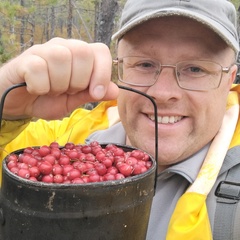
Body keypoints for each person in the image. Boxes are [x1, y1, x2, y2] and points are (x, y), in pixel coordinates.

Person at [0, 0, 240, 239]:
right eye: (145, 64)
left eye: (195, 69)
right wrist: (8, 110)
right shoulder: (64, 144)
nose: (163, 93)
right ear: (119, 70)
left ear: (229, 81)